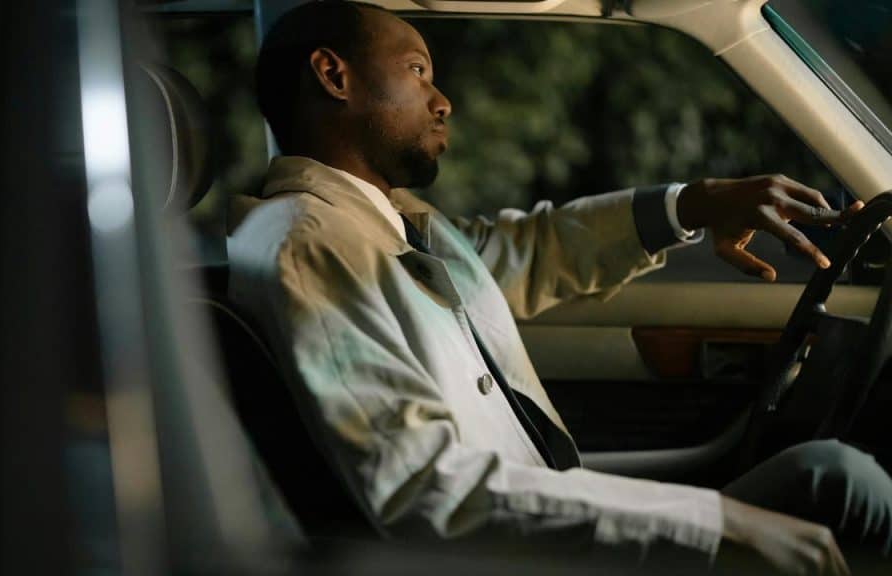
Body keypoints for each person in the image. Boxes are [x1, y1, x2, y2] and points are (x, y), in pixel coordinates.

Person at [226, 1, 892, 574]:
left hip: (539, 507)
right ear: (333, 76)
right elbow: (425, 488)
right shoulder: (309, 244)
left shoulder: (387, 220)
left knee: (830, 475)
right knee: (844, 488)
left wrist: (693, 204)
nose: (442, 99)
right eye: (417, 70)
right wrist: (719, 526)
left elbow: (522, 253)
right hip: (509, 555)